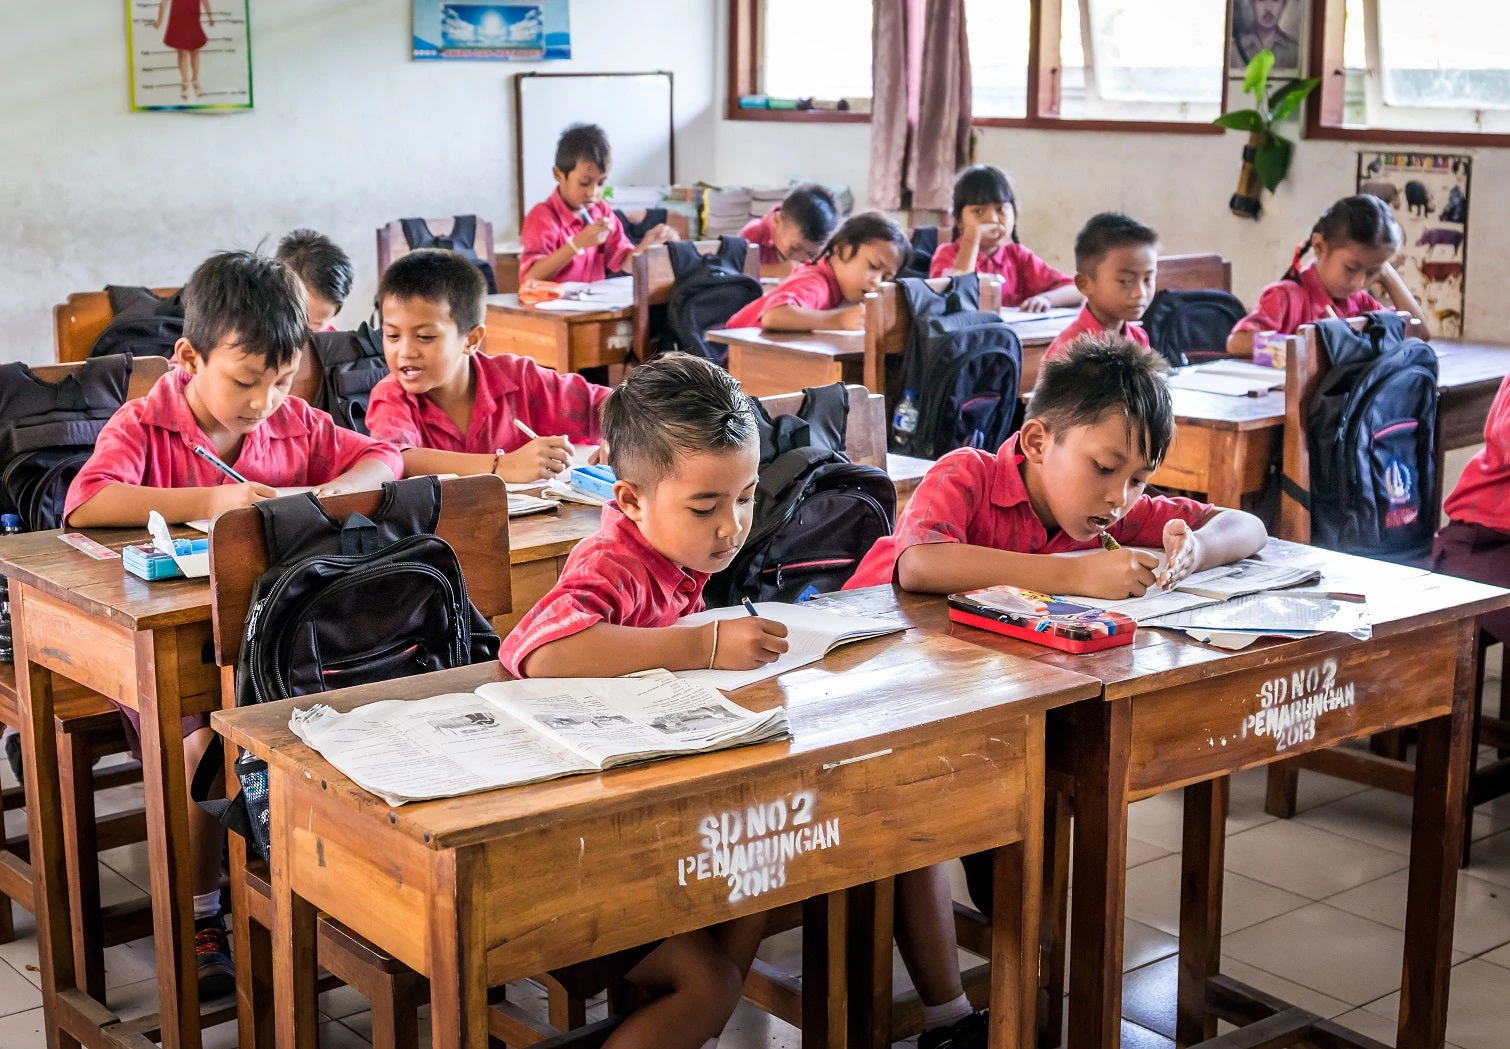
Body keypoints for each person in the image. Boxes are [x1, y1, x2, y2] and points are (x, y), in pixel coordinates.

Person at [62, 250, 402, 998]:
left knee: (355, 712)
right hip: (167, 656)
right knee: (203, 748)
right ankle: (198, 912)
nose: (263, 401)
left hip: (273, 653)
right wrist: (210, 505)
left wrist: (332, 491)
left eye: (281, 381)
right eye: (246, 381)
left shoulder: (294, 422)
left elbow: (383, 458)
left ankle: (332, 896)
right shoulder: (146, 424)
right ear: (188, 357)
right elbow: (85, 504)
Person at [499, 354, 780, 1049]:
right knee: (709, 980)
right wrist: (705, 646)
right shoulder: (613, 562)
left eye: (744, 497)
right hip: (571, 852)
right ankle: (698, 1019)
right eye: (706, 506)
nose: (731, 526)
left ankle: (692, 1035)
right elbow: (539, 651)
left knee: (762, 873)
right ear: (629, 499)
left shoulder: (674, 558)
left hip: (642, 820)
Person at [846, 332, 1268, 597]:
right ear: (1037, 443)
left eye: (1139, 480)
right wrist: (1076, 576)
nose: (1120, 497)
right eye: (1104, 467)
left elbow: (1249, 526)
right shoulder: (968, 476)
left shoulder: (1108, 514)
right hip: (872, 655)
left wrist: (1196, 552)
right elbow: (921, 565)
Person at [365, 249, 609, 483]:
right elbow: (398, 458)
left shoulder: (518, 379)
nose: (405, 351)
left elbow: (610, 403)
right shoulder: (392, 397)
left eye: (425, 337)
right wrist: (505, 466)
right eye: (392, 336)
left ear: (471, 340)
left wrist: (614, 437)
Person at [1227, 194, 1430, 357]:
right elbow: (1236, 342)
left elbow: (1418, 334)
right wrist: (1308, 345)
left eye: (1371, 272)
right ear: (1319, 246)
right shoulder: (1285, 297)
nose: (1359, 282)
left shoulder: (1359, 303)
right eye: (1351, 268)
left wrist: (1387, 275)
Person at [521, 123, 678, 284]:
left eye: (601, 183)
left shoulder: (601, 211)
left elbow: (625, 263)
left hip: (594, 306)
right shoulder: (543, 217)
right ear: (558, 174)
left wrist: (647, 244)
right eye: (584, 183)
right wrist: (577, 244)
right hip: (552, 308)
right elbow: (530, 278)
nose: (593, 192)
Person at [930, 165, 1082, 313]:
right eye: (978, 211)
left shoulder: (1018, 256)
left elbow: (1078, 290)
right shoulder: (947, 253)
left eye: (1001, 209)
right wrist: (972, 239)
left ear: (1014, 214)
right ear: (958, 220)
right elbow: (953, 297)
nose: (992, 218)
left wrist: (1046, 299)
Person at [724, 212, 909, 333]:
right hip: (731, 368)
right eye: (873, 266)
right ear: (842, 248)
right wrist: (840, 320)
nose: (877, 282)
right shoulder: (817, 283)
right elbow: (773, 315)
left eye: (886, 277)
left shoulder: (838, 289)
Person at [1045, 213, 1158, 359]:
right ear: (1084, 284)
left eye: (1148, 279)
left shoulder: (1138, 338)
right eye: (1125, 281)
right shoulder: (1069, 352)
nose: (1140, 293)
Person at [740, 183, 842, 278]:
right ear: (777, 220)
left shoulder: (826, 249)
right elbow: (733, 272)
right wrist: (775, 271)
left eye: (811, 255)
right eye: (794, 248)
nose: (801, 259)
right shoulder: (754, 233)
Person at [275, 229, 354, 331]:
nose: (300, 333)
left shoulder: (331, 344)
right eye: (293, 320)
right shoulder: (256, 339)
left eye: (315, 325)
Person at [156, 0, 213, 101]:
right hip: (178, 19)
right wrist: (159, 20)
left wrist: (210, 16)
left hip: (193, 18)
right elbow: (164, 2)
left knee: (195, 50)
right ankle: (184, 82)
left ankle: (195, 80)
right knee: (183, 52)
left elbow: (205, 1)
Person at [1231, 0, 1300, 73]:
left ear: (1284, 5)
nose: (1268, 8)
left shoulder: (1294, 52)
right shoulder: (1233, 50)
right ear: (1252, 3)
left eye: (1275, 0)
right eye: (1261, 0)